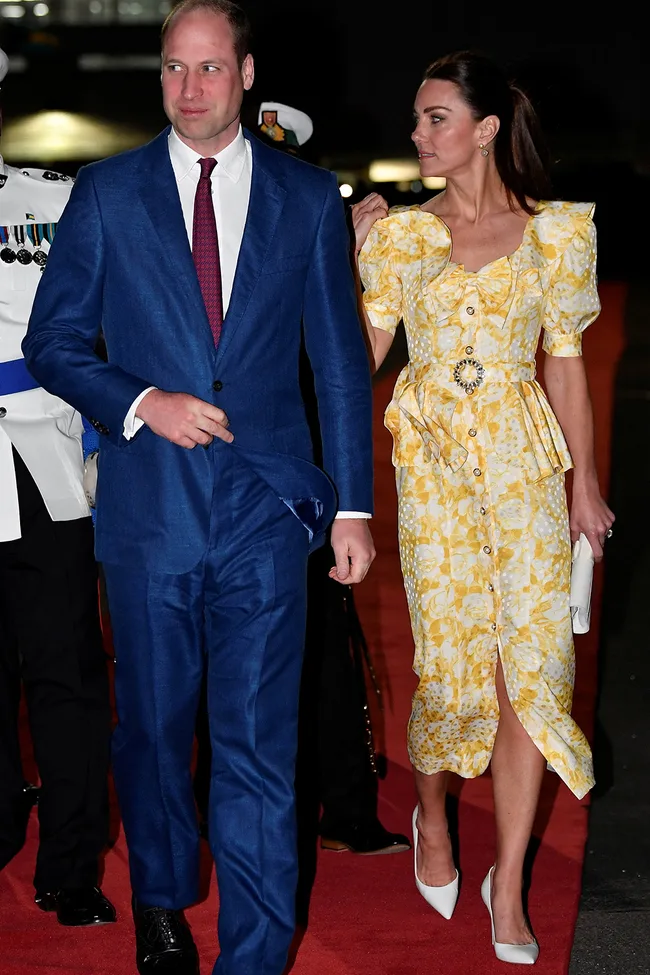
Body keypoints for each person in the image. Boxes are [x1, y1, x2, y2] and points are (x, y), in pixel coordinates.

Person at [23, 2, 375, 974]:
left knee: (259, 742)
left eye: (209, 67)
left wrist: (352, 505)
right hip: (150, 511)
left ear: (247, 74)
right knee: (154, 733)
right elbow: (53, 341)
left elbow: (339, 365)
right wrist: (142, 400)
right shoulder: (108, 192)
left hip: (267, 511)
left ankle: (253, 956)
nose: (189, 88)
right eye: (174, 68)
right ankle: (163, 894)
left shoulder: (308, 197)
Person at [352, 50, 614, 965]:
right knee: (449, 664)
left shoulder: (555, 234)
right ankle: (431, 811)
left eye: (436, 118)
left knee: (530, 672)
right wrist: (351, 259)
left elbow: (566, 366)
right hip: (434, 481)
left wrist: (585, 484)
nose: (418, 134)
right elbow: (360, 358)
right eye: (418, 119)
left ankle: (508, 884)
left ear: (487, 127)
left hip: (525, 471)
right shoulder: (401, 237)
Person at [0, 47, 115, 926]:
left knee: (67, 672)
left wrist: (108, 441)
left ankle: (72, 864)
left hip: (44, 460)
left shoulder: (54, 202)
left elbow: (107, 328)